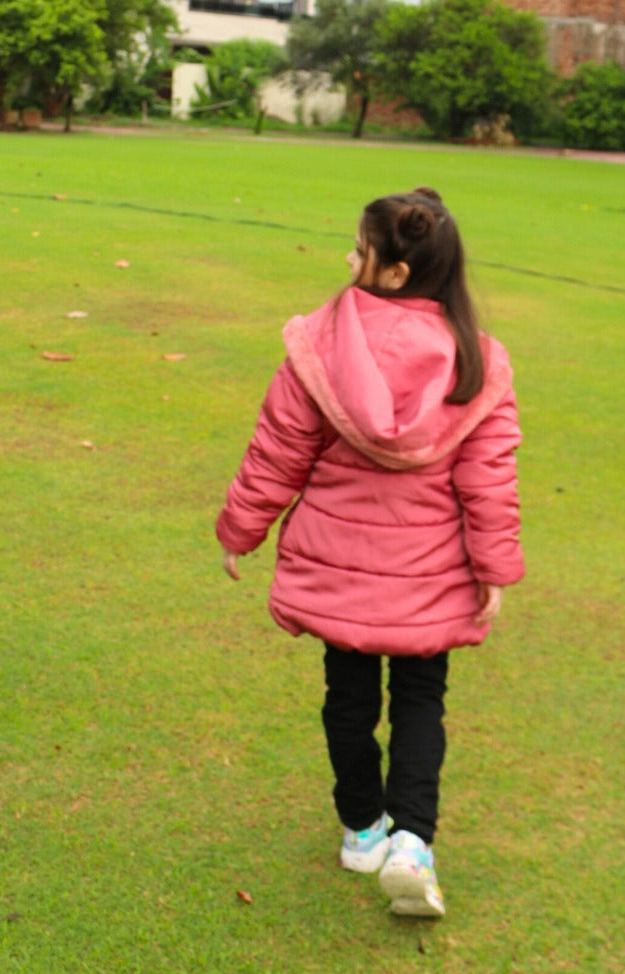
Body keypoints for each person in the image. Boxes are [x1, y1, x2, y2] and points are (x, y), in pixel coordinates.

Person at [216, 187, 524, 918]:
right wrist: (493, 568)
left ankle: (363, 828)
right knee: (421, 701)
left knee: (347, 698)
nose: (347, 259)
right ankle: (414, 840)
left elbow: (277, 455)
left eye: (358, 249)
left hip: (339, 570)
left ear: (391, 271)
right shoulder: (475, 359)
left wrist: (241, 529)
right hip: (431, 574)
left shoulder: (320, 348)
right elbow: (490, 479)